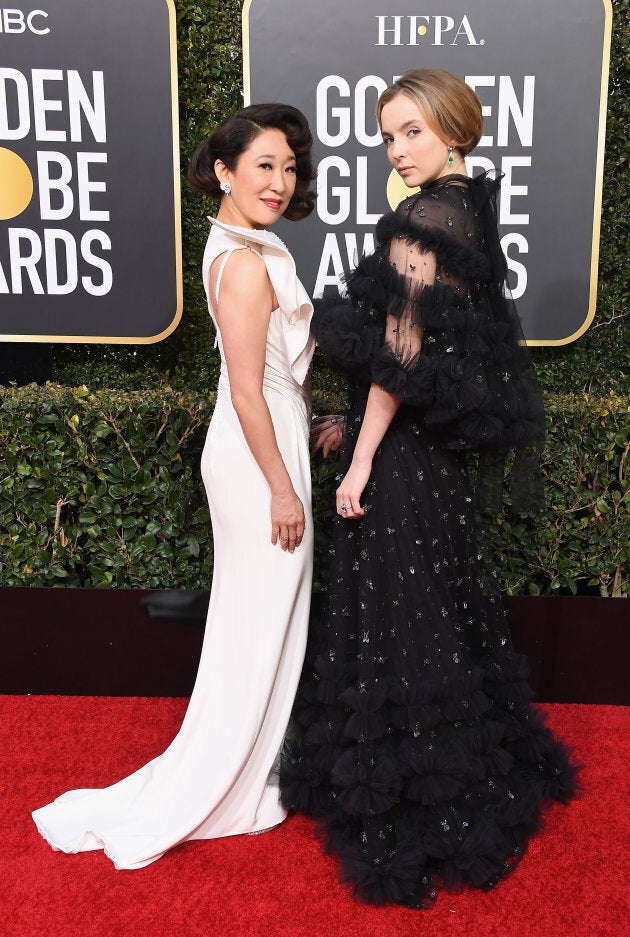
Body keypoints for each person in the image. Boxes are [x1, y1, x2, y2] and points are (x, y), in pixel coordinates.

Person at [280, 69, 578, 908]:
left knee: (400, 627)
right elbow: (435, 354)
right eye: (386, 134)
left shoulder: (422, 216)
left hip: (405, 464)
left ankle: (421, 795)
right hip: (435, 462)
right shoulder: (469, 206)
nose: (397, 150)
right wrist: (359, 423)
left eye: (411, 130)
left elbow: (402, 354)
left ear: (451, 128)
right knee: (436, 621)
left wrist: (363, 455)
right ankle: (453, 766)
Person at [32, 103, 317, 868]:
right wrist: (283, 488)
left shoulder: (238, 246)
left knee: (260, 624)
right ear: (223, 171)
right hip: (262, 456)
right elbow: (253, 390)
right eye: (264, 165)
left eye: (289, 167)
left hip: (265, 446)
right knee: (256, 629)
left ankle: (247, 774)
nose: (280, 181)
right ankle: (227, 786)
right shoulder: (248, 261)